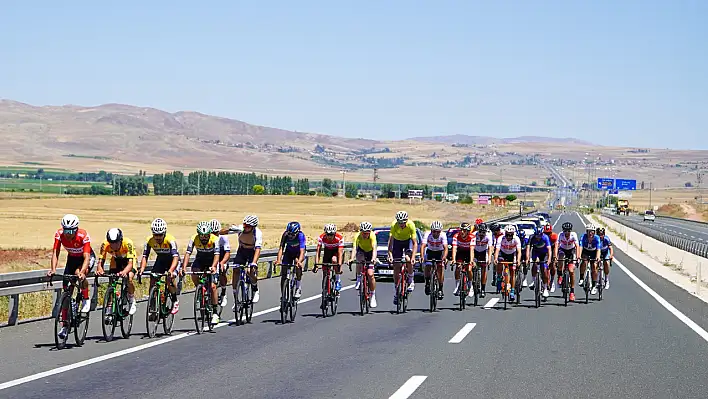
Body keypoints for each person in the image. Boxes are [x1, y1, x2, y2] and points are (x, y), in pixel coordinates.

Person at [48, 214, 96, 339]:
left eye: (71, 230)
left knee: (78, 274)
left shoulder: (83, 235)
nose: (68, 233)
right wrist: (53, 269)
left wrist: (82, 271)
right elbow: (55, 252)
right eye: (66, 230)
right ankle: (64, 325)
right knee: (66, 289)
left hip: (86, 258)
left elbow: (86, 257)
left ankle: (85, 298)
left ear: (76, 229)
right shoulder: (59, 234)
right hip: (72, 259)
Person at [140, 218, 180, 315]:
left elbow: (176, 257)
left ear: (164, 233)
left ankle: (175, 300)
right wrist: (141, 269)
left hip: (173, 261)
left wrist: (171, 270)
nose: (157, 237)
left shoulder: (170, 240)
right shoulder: (149, 241)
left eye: (160, 235)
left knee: (169, 279)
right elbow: (145, 256)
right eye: (155, 235)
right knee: (153, 279)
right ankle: (153, 304)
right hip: (160, 261)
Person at [183, 221, 220, 325]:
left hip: (212, 260)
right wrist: (184, 267)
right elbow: (188, 253)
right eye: (201, 236)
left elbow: (217, 255)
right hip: (200, 260)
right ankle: (199, 290)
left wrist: (213, 266)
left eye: (206, 236)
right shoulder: (194, 238)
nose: (203, 238)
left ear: (210, 234)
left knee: (213, 287)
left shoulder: (215, 239)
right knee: (193, 273)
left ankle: (215, 313)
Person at [96, 228, 138, 315]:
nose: (114, 245)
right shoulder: (105, 244)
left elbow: (130, 264)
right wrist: (100, 269)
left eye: (116, 243)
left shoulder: (128, 243)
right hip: (115, 261)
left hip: (128, 261)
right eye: (111, 243)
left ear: (121, 240)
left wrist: (124, 272)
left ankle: (131, 299)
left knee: (129, 277)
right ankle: (110, 304)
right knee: (112, 282)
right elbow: (101, 261)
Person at [228, 215, 263, 306]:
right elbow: (223, 232)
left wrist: (254, 262)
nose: (245, 227)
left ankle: (255, 289)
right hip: (242, 251)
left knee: (250, 271)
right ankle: (236, 297)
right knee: (236, 270)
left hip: (252, 252)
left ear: (253, 227)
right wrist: (230, 229)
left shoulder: (257, 233)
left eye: (248, 226)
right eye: (244, 225)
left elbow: (258, 249)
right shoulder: (241, 229)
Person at [387, 211, 419, 305]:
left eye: (403, 223)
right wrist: (390, 254)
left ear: (406, 221)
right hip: (397, 242)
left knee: (408, 259)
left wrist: (413, 257)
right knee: (396, 266)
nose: (401, 225)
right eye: (399, 223)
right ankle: (397, 290)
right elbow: (390, 241)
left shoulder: (411, 225)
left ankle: (411, 278)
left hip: (407, 241)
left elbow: (415, 243)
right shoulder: (394, 225)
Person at [276, 221, 306, 299]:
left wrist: (299, 261)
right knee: (284, 272)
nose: (290, 236)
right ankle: (283, 295)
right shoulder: (285, 235)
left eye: (292, 235)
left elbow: (302, 251)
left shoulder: (301, 236)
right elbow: (281, 247)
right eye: (289, 234)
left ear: (297, 232)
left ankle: (298, 287)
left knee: (297, 264)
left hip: (298, 253)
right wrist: (278, 260)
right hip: (289, 252)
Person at [352, 221, 377, 308]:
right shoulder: (357, 236)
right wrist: (352, 258)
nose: (365, 235)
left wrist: (373, 259)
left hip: (370, 253)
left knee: (370, 274)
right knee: (359, 260)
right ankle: (359, 279)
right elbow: (355, 248)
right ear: (361, 232)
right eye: (364, 233)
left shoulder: (372, 236)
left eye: (367, 233)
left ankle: (373, 295)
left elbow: (374, 249)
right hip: (362, 251)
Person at [420, 220, 447, 300]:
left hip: (439, 252)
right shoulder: (427, 234)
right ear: (431, 230)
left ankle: (440, 289)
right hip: (430, 251)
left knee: (440, 269)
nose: (435, 233)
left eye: (437, 232)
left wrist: (444, 258)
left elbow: (445, 248)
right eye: (434, 231)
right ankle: (427, 283)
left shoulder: (443, 235)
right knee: (427, 266)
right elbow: (423, 246)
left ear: (440, 231)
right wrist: (422, 257)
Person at [494, 225, 522, 301]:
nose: (509, 236)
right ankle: (499, 277)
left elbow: (519, 252)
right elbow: (497, 249)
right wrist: (495, 258)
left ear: (513, 234)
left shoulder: (516, 239)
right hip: (502, 253)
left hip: (512, 254)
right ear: (505, 233)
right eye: (507, 234)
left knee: (512, 271)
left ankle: (512, 291)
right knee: (499, 262)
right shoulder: (501, 238)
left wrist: (518, 260)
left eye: (511, 235)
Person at [314, 223, 344, 291]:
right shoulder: (321, 237)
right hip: (327, 251)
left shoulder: (339, 238)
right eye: (328, 234)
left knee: (334, 260)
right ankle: (325, 289)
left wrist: (339, 266)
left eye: (331, 235)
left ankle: (337, 280)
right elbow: (318, 251)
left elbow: (340, 253)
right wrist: (316, 264)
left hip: (336, 251)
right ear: (325, 233)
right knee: (325, 271)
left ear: (334, 234)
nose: (329, 237)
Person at [554, 222, 579, 302]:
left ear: (570, 231)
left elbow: (577, 246)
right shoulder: (560, 235)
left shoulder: (573, 235)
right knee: (560, 257)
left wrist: (578, 257)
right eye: (565, 231)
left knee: (571, 271)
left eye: (568, 231)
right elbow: (556, 246)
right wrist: (555, 257)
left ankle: (572, 292)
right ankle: (560, 275)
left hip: (571, 251)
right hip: (563, 250)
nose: (567, 233)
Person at [209, 219, 231, 308]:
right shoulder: (208, 238)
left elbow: (227, 252)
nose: (214, 235)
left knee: (222, 271)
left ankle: (223, 291)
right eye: (212, 233)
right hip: (213, 255)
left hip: (222, 255)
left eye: (216, 233)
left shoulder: (223, 237)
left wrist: (222, 263)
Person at [526, 227, 552, 298]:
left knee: (544, 270)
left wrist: (549, 259)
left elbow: (549, 249)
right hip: (536, 252)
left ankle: (545, 288)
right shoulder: (531, 237)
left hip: (544, 253)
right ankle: (534, 280)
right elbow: (528, 248)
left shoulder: (545, 237)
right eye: (536, 236)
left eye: (539, 236)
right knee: (534, 263)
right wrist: (527, 258)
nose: (538, 237)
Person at [451, 222, 473, 297]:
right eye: (461, 230)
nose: (462, 232)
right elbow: (454, 248)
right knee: (458, 267)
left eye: (464, 230)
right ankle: (457, 286)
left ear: (468, 232)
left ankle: (470, 286)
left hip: (469, 252)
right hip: (460, 252)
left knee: (469, 269)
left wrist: (471, 261)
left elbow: (472, 249)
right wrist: (453, 259)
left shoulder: (472, 237)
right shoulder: (456, 236)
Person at [579, 223, 602, 295]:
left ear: (594, 232)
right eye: (589, 231)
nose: (590, 233)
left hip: (594, 252)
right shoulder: (583, 237)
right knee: (584, 262)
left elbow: (598, 249)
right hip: (585, 251)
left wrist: (597, 257)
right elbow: (580, 247)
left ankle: (594, 285)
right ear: (586, 232)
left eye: (592, 231)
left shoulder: (596, 238)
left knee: (594, 267)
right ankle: (582, 278)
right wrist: (579, 256)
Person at [472, 222, 493, 298]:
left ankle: (483, 289)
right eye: (480, 232)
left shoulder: (488, 236)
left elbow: (490, 248)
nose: (481, 234)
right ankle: (473, 282)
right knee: (472, 265)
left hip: (484, 252)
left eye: (483, 232)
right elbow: (471, 247)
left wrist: (489, 258)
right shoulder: (474, 235)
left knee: (484, 269)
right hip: (475, 251)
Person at [542, 224, 559, 292]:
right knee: (544, 267)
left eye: (549, 233)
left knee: (553, 266)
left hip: (552, 249)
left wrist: (555, 256)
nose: (547, 234)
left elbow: (556, 247)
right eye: (546, 233)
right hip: (545, 250)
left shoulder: (554, 236)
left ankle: (552, 281)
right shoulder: (542, 237)